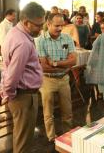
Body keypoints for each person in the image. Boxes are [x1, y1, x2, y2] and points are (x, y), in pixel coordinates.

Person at [0, 2, 45, 153]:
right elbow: (12, 76)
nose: (41, 29)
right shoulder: (23, 42)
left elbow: (8, 69)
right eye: (38, 25)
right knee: (24, 142)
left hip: (19, 95)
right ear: (26, 22)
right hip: (23, 97)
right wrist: (10, 94)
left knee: (19, 137)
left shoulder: (14, 33)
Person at [36, 13, 76, 142]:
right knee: (48, 112)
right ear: (48, 24)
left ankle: (67, 135)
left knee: (68, 111)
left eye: (61, 25)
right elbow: (43, 67)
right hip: (47, 80)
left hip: (64, 79)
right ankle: (51, 138)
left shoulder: (67, 38)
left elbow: (73, 60)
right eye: (56, 26)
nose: (60, 28)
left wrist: (54, 63)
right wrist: (64, 65)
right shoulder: (40, 40)